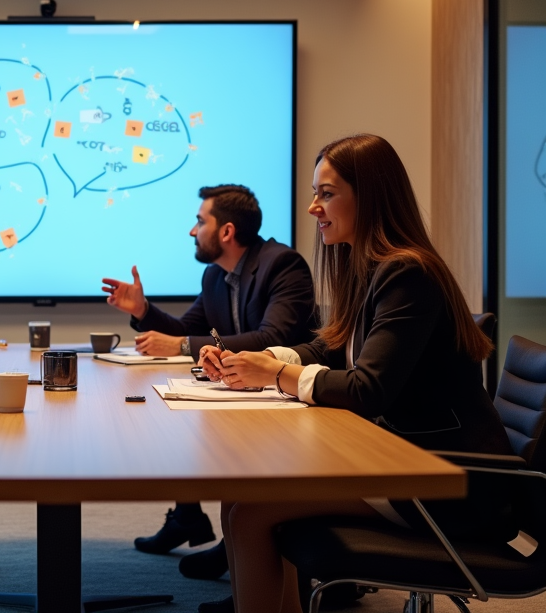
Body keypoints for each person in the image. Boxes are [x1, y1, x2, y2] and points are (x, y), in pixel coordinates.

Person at [197, 134, 513, 613]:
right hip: (403, 459)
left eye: (326, 194)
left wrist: (275, 373)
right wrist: (260, 364)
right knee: (241, 499)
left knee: (251, 512)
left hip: (445, 481)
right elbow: (331, 343)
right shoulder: (372, 268)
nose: (312, 207)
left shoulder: (409, 273)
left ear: (371, 195)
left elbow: (368, 389)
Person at [101, 185, 317, 571]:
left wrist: (181, 344)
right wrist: (144, 309)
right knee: (171, 409)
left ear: (227, 232)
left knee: (190, 417)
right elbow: (186, 328)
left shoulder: (282, 264)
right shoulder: (216, 278)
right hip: (246, 393)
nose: (192, 230)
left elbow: (273, 338)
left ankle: (240, 541)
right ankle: (199, 520)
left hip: (288, 401)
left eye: (200, 221)